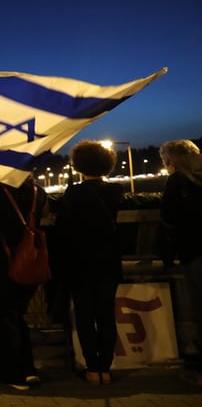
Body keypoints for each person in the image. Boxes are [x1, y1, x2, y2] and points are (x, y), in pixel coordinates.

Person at [56, 140, 124, 385]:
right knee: (106, 314)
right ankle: (106, 368)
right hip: (109, 261)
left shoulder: (74, 193)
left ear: (78, 165)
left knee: (84, 315)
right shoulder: (116, 192)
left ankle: (92, 368)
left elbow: (65, 227)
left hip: (81, 262)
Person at [0, 176, 48, 391]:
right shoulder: (37, 192)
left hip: (2, 264)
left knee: (3, 319)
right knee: (18, 316)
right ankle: (28, 370)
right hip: (29, 262)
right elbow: (43, 214)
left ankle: (12, 374)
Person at [159, 139, 202, 382]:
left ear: (173, 161)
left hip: (195, 252)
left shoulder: (178, 181)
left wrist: (167, 257)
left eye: (166, 161)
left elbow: (169, 219)